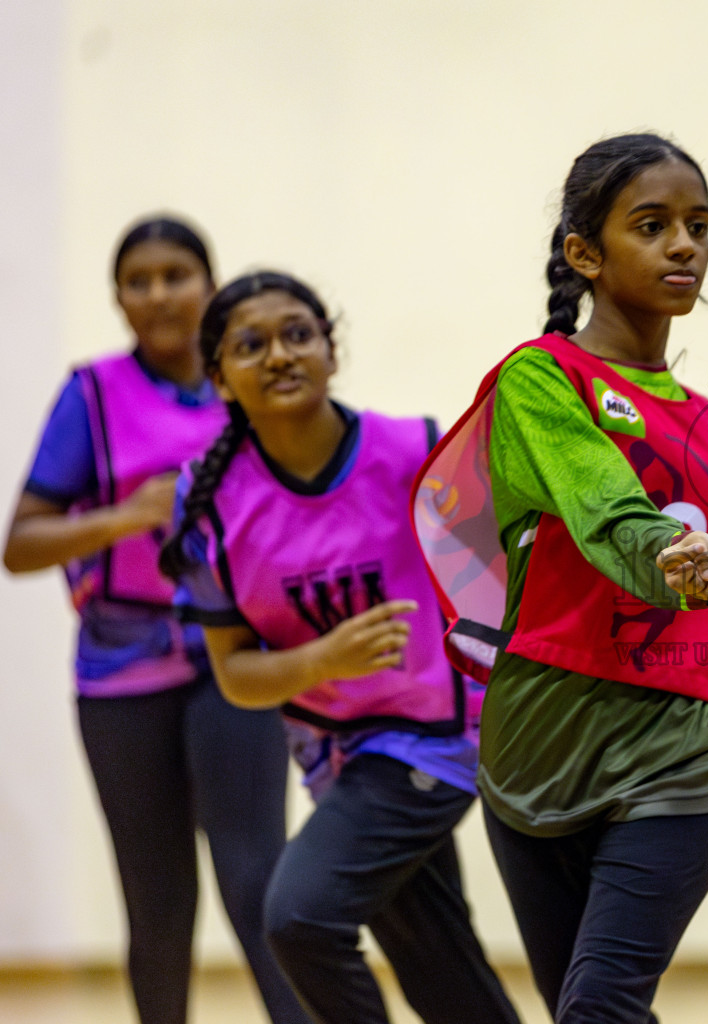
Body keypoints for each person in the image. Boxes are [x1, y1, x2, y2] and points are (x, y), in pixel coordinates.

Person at [414, 133, 708, 1024]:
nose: (685, 246)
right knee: (586, 1009)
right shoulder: (540, 381)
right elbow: (608, 517)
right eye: (652, 226)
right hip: (536, 755)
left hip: (676, 752)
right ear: (585, 254)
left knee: (599, 1009)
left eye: (697, 225)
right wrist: (665, 557)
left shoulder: (705, 419)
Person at [159, 271, 521, 1024]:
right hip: (336, 755)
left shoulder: (417, 449)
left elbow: (505, 583)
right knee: (440, 965)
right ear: (219, 376)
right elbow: (237, 677)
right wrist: (324, 660)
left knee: (300, 918)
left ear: (331, 348)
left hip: (441, 737)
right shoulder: (210, 503)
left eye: (298, 333)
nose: (280, 355)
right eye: (250, 345)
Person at [3, 218, 305, 1024]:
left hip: (233, 659)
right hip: (120, 669)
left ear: (210, 286)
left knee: (256, 882)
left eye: (177, 274)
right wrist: (120, 518)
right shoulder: (92, 394)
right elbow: (21, 544)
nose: (159, 293)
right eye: (138, 279)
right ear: (118, 300)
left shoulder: (251, 378)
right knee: (158, 899)